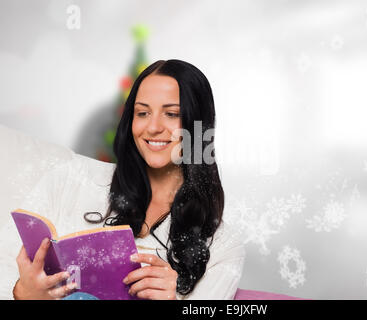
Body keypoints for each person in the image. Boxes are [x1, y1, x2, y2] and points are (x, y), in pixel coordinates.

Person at [11, 59, 245, 300]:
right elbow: (12, 275)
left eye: (171, 114)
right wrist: (26, 293)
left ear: (198, 124)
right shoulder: (72, 179)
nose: (153, 127)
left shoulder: (224, 247)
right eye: (142, 113)